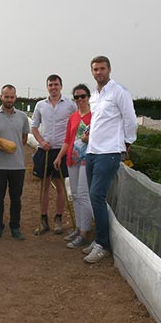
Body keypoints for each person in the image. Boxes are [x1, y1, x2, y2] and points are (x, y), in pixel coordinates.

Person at [82, 56, 137, 263]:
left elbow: (130, 119)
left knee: (97, 195)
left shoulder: (119, 92)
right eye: (95, 69)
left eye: (102, 68)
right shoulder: (95, 95)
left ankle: (103, 244)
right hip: (93, 151)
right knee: (94, 196)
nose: (99, 72)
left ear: (109, 69)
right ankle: (98, 239)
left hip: (109, 152)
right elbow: (97, 120)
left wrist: (127, 143)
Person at [0, 84, 30, 241]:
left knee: (16, 199)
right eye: (6, 96)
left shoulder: (22, 117)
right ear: (1, 97)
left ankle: (15, 227)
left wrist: (12, 148)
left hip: (17, 166)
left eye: (12, 97)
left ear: (15, 98)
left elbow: (24, 139)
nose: (9, 99)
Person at [31, 74, 76, 235]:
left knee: (60, 186)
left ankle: (58, 218)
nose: (53, 87)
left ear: (61, 86)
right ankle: (43, 220)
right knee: (44, 186)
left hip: (61, 151)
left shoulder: (70, 105)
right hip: (45, 150)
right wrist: (41, 142)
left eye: (56, 84)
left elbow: (76, 124)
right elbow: (34, 127)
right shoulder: (40, 105)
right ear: (47, 87)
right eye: (50, 85)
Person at [53, 84, 93, 249]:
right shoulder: (73, 117)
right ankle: (78, 228)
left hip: (87, 159)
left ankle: (85, 232)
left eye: (82, 96)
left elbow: (100, 137)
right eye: (76, 97)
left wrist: (88, 139)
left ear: (88, 97)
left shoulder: (95, 116)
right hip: (72, 158)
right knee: (75, 194)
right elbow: (68, 140)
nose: (80, 100)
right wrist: (59, 156)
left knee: (83, 194)